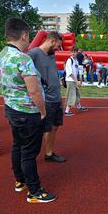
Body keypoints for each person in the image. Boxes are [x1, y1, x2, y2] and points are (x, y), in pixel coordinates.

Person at [0, 17, 56, 203]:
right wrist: (43, 111)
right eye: (28, 36)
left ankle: (20, 181)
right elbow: (33, 90)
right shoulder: (23, 59)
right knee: (29, 152)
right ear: (23, 35)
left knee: (18, 146)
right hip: (28, 112)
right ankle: (34, 191)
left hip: (12, 108)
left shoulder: (2, 55)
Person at [28, 31, 66, 163]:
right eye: (57, 46)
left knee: (55, 127)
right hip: (46, 99)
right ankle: (32, 157)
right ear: (52, 41)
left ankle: (49, 153)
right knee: (43, 129)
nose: (58, 49)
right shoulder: (34, 53)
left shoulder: (51, 55)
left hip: (56, 97)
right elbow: (24, 72)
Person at [64, 47, 88, 116]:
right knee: (71, 95)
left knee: (77, 94)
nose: (73, 53)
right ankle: (67, 111)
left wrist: (79, 80)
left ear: (77, 52)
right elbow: (70, 73)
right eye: (72, 52)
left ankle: (79, 106)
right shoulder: (69, 60)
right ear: (70, 52)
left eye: (75, 52)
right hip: (70, 80)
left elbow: (77, 71)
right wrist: (76, 81)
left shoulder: (76, 61)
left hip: (74, 80)